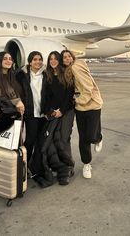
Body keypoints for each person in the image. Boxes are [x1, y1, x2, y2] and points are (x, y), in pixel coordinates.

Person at [61, 49, 103, 179]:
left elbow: (88, 88)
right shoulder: (68, 71)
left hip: (92, 104)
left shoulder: (75, 67)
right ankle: (86, 164)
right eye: (64, 58)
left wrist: (78, 100)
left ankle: (98, 138)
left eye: (69, 56)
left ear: (72, 57)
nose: (67, 59)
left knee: (91, 135)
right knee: (83, 137)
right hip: (80, 108)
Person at [44, 51, 75, 185]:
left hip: (66, 110)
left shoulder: (66, 74)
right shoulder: (48, 75)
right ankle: (59, 166)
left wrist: (61, 110)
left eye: (56, 58)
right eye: (51, 59)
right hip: (54, 112)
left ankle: (69, 166)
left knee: (64, 137)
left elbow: (69, 94)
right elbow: (47, 96)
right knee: (53, 139)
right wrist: (51, 111)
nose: (53, 61)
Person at [15, 51, 47, 166]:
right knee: (30, 140)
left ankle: (37, 165)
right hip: (31, 113)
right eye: (35, 59)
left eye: (40, 59)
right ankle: (24, 165)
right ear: (30, 62)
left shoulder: (46, 74)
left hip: (43, 113)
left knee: (41, 141)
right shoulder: (22, 75)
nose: (38, 62)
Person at [0, 51, 25, 116]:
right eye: (5, 59)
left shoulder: (12, 77)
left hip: (15, 114)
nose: (8, 61)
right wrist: (16, 102)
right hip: (3, 116)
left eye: (10, 59)